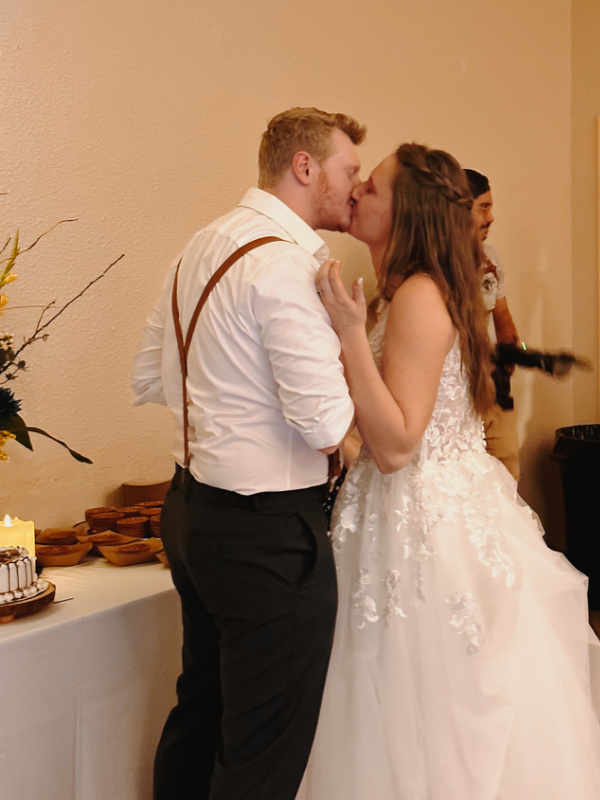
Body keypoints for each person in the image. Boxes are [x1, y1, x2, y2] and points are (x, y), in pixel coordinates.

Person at [301, 143, 600, 800]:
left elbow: (399, 445)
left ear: (405, 212)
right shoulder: (404, 293)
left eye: (372, 188)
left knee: (429, 710)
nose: (358, 194)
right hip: (405, 511)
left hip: (428, 526)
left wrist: (348, 333)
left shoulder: (416, 296)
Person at [131, 106, 365, 800]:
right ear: (304, 167)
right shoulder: (288, 266)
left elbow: (148, 375)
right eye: (348, 171)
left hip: (190, 512)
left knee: (201, 712)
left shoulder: (197, 247)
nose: (355, 187)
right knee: (261, 752)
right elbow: (325, 421)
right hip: (266, 535)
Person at [465, 168, 521, 481]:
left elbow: (503, 320)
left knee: (507, 464)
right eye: (483, 207)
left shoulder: (491, 258)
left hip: (491, 387)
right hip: (454, 391)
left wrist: (514, 352)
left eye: (491, 207)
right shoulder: (429, 266)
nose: (491, 218)